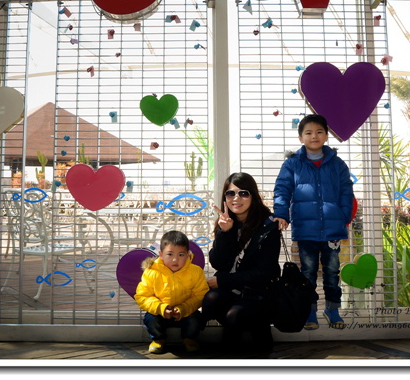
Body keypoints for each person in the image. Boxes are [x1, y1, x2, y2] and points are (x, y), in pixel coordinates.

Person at [273, 113, 354, 330]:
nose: (314, 136)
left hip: (332, 230)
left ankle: (332, 309)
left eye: (319, 132)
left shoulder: (337, 164)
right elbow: (282, 189)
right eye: (308, 132)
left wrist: (344, 215)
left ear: (326, 136)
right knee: (307, 272)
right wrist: (281, 213)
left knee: (332, 271)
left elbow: (347, 191)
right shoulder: (292, 165)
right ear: (301, 138)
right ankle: (310, 312)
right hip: (305, 230)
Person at [202, 172, 281, 349]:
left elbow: (264, 272)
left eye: (243, 193)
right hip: (232, 289)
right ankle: (254, 330)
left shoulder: (269, 226)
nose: (236, 198)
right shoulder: (225, 221)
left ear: (253, 195)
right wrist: (225, 232)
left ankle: (255, 337)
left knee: (234, 316)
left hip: (259, 291)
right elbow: (218, 263)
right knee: (210, 300)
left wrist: (223, 280)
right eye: (231, 193)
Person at [134, 230, 210, 354]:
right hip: (160, 312)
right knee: (150, 319)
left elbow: (200, 294)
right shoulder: (152, 272)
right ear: (161, 254)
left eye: (181, 255)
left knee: (195, 318)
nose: (175, 260)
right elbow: (142, 296)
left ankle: (189, 339)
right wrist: (161, 308)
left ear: (188, 254)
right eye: (170, 254)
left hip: (185, 312)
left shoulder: (195, 271)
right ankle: (158, 339)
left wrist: (184, 308)